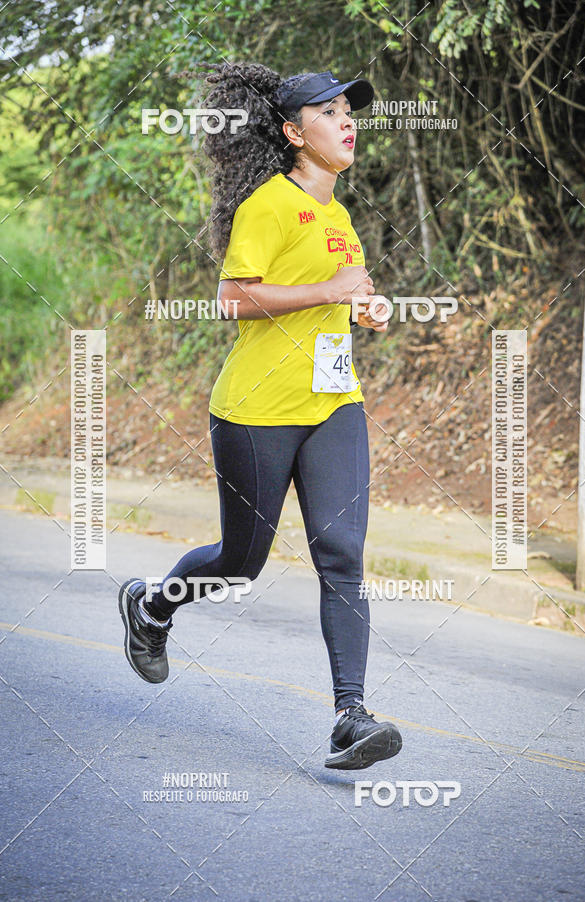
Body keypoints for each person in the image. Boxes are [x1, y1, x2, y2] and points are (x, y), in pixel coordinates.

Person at [119, 63, 402, 770]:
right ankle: (153, 609)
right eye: (329, 111)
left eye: (349, 110)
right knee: (240, 562)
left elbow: (334, 299)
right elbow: (233, 300)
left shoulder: (340, 216)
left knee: (342, 558)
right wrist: (327, 289)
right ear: (291, 131)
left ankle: (351, 716)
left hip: (334, 405)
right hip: (256, 412)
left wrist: (363, 307)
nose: (346, 121)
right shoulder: (267, 206)